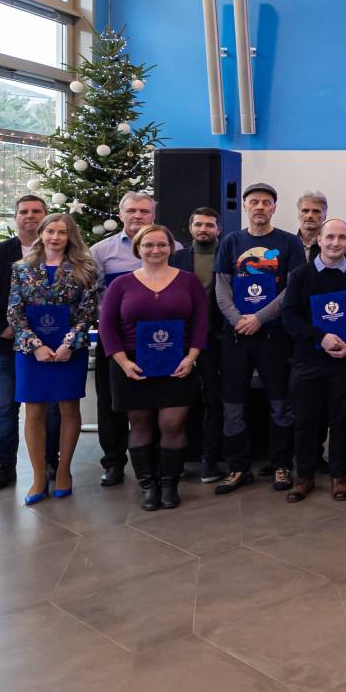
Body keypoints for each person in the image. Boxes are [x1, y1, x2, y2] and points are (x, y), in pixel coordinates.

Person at [100, 224, 207, 512]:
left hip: (178, 362)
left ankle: (169, 483)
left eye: (161, 244)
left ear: (171, 248)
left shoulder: (189, 281)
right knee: (140, 424)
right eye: (148, 245)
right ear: (138, 248)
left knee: (173, 423)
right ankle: (148, 485)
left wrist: (191, 357)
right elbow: (107, 326)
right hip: (133, 365)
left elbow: (200, 322)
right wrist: (123, 362)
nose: (155, 250)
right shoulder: (121, 284)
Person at [211, 182, 305, 494]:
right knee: (233, 404)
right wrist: (239, 320)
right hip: (236, 336)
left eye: (266, 202)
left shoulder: (289, 243)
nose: (260, 207)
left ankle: (281, 464)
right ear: (245, 206)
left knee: (280, 402)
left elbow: (292, 289)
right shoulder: (231, 241)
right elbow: (222, 287)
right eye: (254, 202)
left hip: (275, 336)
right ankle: (238, 467)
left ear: (274, 207)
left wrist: (259, 318)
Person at [5, 212, 100, 505]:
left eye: (62, 232)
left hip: (69, 349)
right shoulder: (21, 268)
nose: (55, 237)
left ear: (70, 236)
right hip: (31, 351)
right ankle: (37, 477)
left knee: (69, 408)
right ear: (41, 234)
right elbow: (14, 311)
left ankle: (63, 471)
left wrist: (69, 344)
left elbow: (88, 313)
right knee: (34, 410)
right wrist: (35, 346)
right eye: (50, 231)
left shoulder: (85, 269)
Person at [280, 218, 346, 503]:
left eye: (341, 238)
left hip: (344, 362)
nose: (335, 243)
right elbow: (289, 316)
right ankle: (304, 477)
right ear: (319, 240)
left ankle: (338, 476)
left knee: (341, 420)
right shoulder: (300, 275)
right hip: (307, 361)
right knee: (305, 421)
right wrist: (321, 337)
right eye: (330, 237)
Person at [0, 193, 49, 493]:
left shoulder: (58, 250)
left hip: (50, 345)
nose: (30, 216)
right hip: (8, 345)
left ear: (46, 215)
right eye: (24, 211)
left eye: (36, 211)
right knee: (5, 409)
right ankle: (5, 467)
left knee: (51, 407)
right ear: (16, 217)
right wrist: (0, 327)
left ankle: (49, 464)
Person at [89, 191, 170, 485]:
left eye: (144, 211)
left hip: (162, 339)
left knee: (159, 399)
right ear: (120, 214)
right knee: (111, 401)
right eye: (132, 210)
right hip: (116, 337)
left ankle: (156, 461)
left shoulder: (170, 247)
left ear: (153, 215)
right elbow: (91, 295)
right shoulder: (101, 251)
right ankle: (113, 462)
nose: (138, 216)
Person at [172, 208, 226, 483]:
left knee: (213, 400)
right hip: (181, 338)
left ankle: (210, 460)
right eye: (199, 224)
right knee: (179, 400)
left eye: (210, 225)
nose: (204, 229)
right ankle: (177, 459)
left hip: (217, 338)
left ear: (218, 229)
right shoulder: (177, 258)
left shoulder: (227, 255)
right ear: (191, 227)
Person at [294, 191, 328, 262]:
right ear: (298, 214)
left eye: (316, 211)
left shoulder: (332, 247)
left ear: (325, 216)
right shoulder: (288, 244)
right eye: (305, 211)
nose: (310, 216)